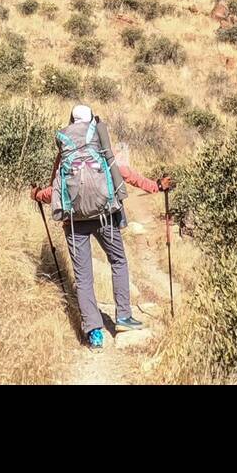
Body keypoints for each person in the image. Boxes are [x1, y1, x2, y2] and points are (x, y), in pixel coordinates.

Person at [31, 104, 173, 350]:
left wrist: (36, 195)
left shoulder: (65, 150)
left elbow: (55, 189)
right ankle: (124, 317)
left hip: (74, 223)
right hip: (105, 216)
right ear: (90, 122)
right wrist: (155, 186)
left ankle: (94, 332)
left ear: (71, 122)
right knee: (118, 261)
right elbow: (124, 173)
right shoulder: (99, 144)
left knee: (83, 276)